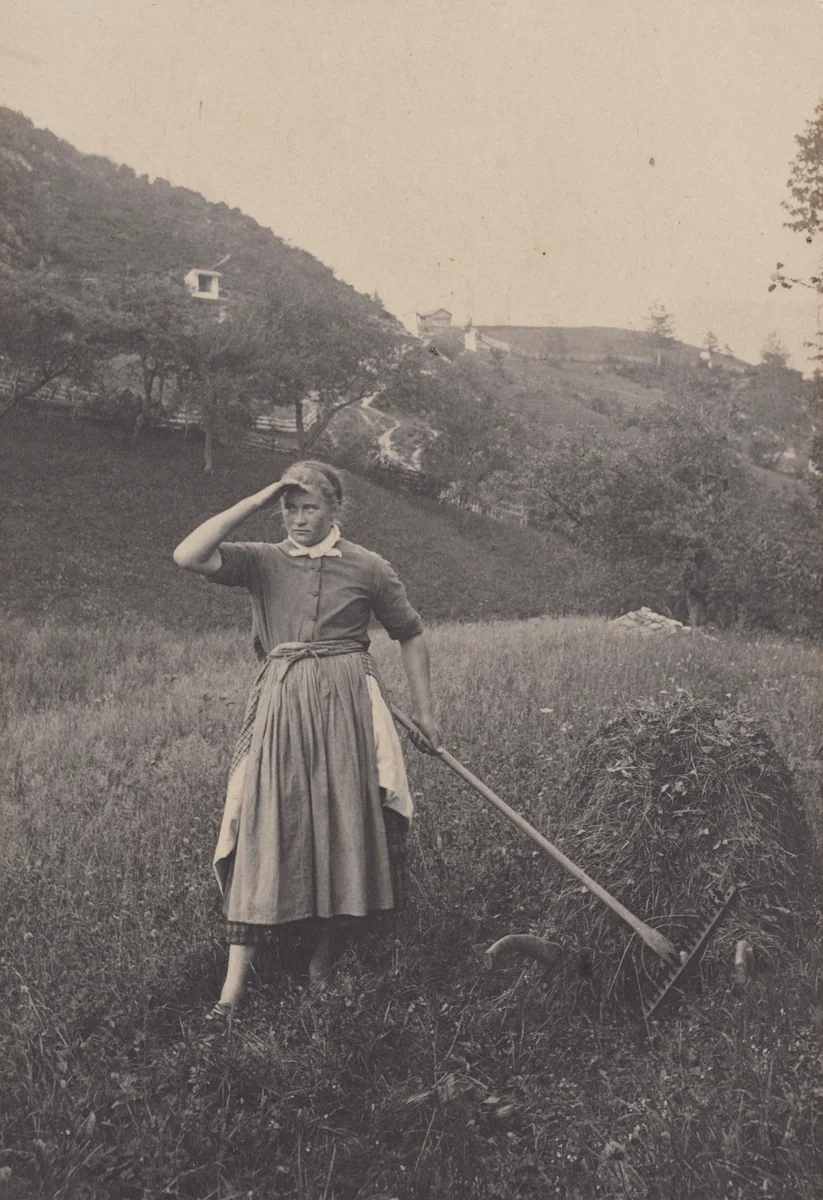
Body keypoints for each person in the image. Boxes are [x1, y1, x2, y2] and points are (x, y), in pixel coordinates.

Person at [172, 460, 440, 1015]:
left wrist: (425, 713)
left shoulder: (368, 567)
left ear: (335, 508)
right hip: (284, 704)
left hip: (350, 706)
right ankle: (233, 987)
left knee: (351, 822)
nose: (297, 519)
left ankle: (324, 954)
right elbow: (188, 555)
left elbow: (411, 635)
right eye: (289, 508)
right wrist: (259, 495)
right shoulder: (262, 561)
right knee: (261, 818)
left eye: (309, 508)